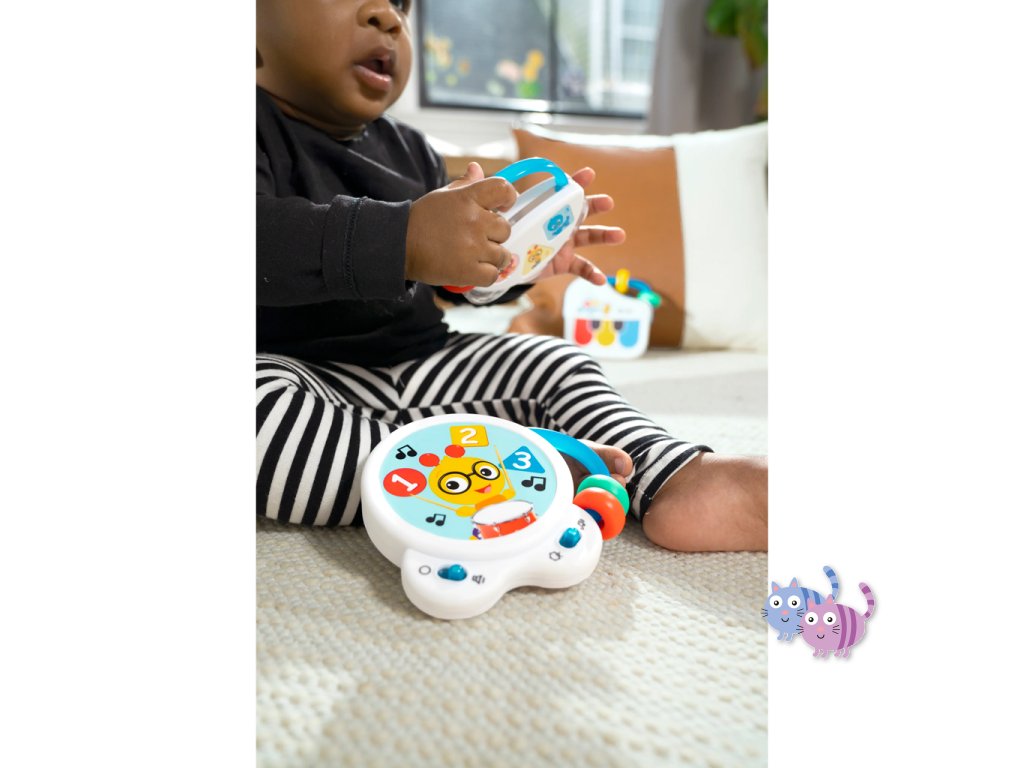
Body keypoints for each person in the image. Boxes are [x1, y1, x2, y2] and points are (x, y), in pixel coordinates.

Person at [256, 0, 767, 552]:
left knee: (557, 362)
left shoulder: (413, 150)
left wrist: (512, 262)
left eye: (402, 5)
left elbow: (454, 286)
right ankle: (501, 474)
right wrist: (403, 238)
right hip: (301, 374)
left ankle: (672, 475)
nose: (388, 16)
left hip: (427, 362)